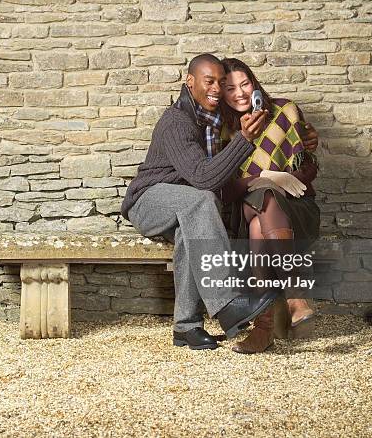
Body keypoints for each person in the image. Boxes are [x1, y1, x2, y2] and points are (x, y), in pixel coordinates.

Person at [121, 53, 280, 351]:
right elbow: (203, 178)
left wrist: (301, 132)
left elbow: (262, 105)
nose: (217, 88)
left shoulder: (212, 119)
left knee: (190, 233)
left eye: (221, 82)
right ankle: (228, 303)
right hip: (149, 201)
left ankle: (186, 328)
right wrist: (244, 140)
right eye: (210, 81)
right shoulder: (177, 122)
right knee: (202, 200)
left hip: (182, 203)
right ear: (190, 82)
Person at [219, 58, 321, 354]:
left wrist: (286, 177)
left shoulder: (285, 111)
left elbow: (309, 167)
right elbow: (223, 187)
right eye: (229, 88)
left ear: (254, 82)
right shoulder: (222, 130)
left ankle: (262, 329)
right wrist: (262, 177)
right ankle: (296, 297)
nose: (238, 93)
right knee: (263, 194)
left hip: (295, 207)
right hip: (245, 207)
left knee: (260, 219)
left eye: (244, 84)